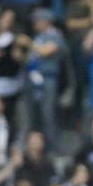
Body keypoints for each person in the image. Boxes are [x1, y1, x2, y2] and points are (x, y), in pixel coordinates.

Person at [26, 9, 66, 145]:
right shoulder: (39, 36)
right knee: (32, 114)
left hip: (48, 79)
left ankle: (53, 146)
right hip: (32, 77)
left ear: (45, 21)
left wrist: (27, 43)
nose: (34, 24)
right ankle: (34, 143)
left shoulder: (55, 35)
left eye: (37, 21)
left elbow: (45, 51)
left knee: (47, 114)